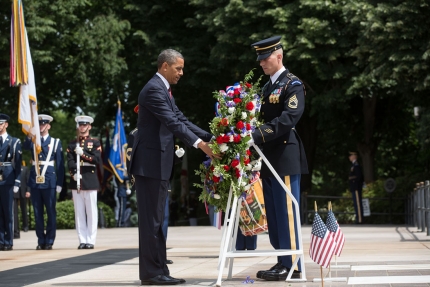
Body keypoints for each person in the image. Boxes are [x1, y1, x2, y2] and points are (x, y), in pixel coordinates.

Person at [129, 48, 219, 286]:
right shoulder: (153, 90)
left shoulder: (164, 90)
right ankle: (151, 272)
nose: (181, 73)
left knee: (157, 219)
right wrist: (201, 145)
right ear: (164, 66)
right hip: (149, 164)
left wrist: (212, 137)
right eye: (178, 68)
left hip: (158, 163)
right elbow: (171, 122)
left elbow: (181, 119)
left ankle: (158, 269)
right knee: (151, 220)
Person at [249, 36, 308, 281]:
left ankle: (293, 264)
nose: (262, 63)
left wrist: (255, 134)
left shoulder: (292, 84)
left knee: (287, 213)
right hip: (269, 157)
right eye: (260, 59)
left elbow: (289, 118)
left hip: (284, 155)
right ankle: (282, 259)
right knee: (274, 213)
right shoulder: (266, 87)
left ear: (279, 56)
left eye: (266, 58)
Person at [24, 114, 65, 250]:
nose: (41, 126)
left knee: (50, 212)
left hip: (49, 180)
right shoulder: (34, 141)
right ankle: (41, 239)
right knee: (37, 212)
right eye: (39, 124)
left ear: (49, 126)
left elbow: (60, 164)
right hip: (35, 181)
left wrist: (59, 183)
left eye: (43, 124)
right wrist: (30, 134)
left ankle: (50, 240)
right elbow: (25, 146)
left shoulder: (55, 142)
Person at [67, 115, 102, 250]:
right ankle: (82, 239)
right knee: (79, 213)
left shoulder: (95, 142)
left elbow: (96, 160)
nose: (82, 127)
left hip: (90, 178)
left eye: (85, 125)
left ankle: (91, 240)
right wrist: (74, 173)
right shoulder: (72, 143)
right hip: (77, 180)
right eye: (80, 125)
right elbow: (69, 160)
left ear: (89, 126)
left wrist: (83, 154)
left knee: (91, 212)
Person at [0, 114, 21, 251]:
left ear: (6, 124)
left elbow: (18, 164)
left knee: (8, 211)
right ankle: (1, 241)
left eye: (1, 123)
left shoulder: (13, 141)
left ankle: (9, 241)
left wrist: (17, 181)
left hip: (7, 177)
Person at [13, 160, 30, 239]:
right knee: (15, 211)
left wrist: (28, 191)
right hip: (15, 192)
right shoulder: (12, 169)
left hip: (23, 191)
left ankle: (25, 225)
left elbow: (28, 181)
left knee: (24, 210)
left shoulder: (25, 169)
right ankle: (16, 228)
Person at [348, 151, 364, 224]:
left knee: (358, 203)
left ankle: (360, 219)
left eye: (351, 155)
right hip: (354, 187)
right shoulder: (353, 165)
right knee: (356, 203)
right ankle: (358, 218)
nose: (349, 157)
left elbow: (358, 177)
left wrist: (355, 183)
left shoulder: (356, 165)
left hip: (356, 187)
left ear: (354, 156)